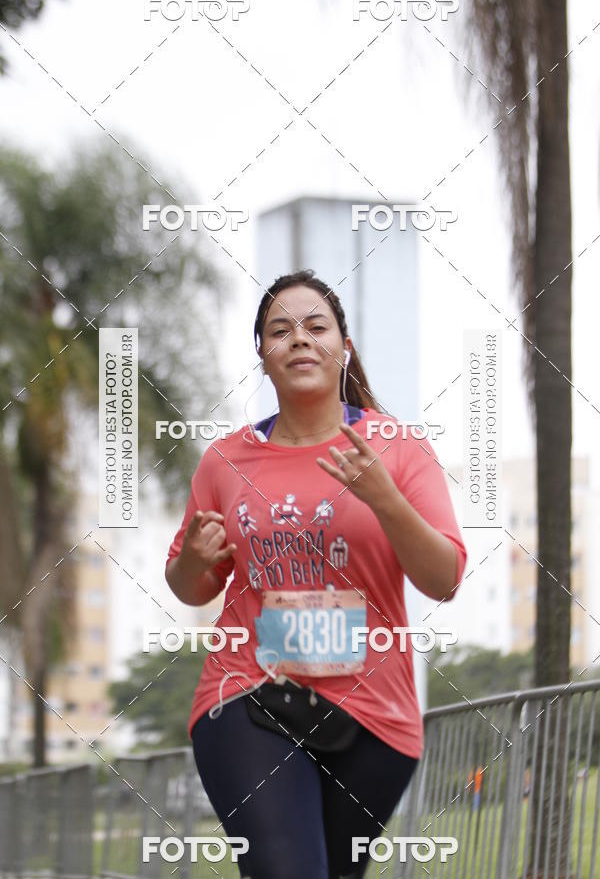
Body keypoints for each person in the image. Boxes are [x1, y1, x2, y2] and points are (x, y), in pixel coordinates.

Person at [165, 269, 467, 879]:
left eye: (315, 326)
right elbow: (190, 583)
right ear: (263, 354)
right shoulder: (226, 460)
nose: (299, 339)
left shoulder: (398, 449)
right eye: (280, 330)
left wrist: (385, 498)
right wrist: (196, 559)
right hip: (246, 693)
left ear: (344, 347)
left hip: (373, 712)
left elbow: (444, 578)